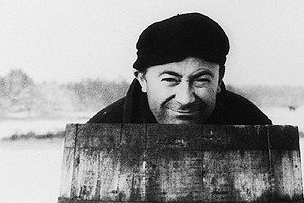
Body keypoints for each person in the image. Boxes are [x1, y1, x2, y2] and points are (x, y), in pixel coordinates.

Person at [89, 13, 271, 125]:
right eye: (170, 80)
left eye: (201, 80)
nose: (185, 99)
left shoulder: (256, 127)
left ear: (219, 79)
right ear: (143, 79)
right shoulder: (99, 131)